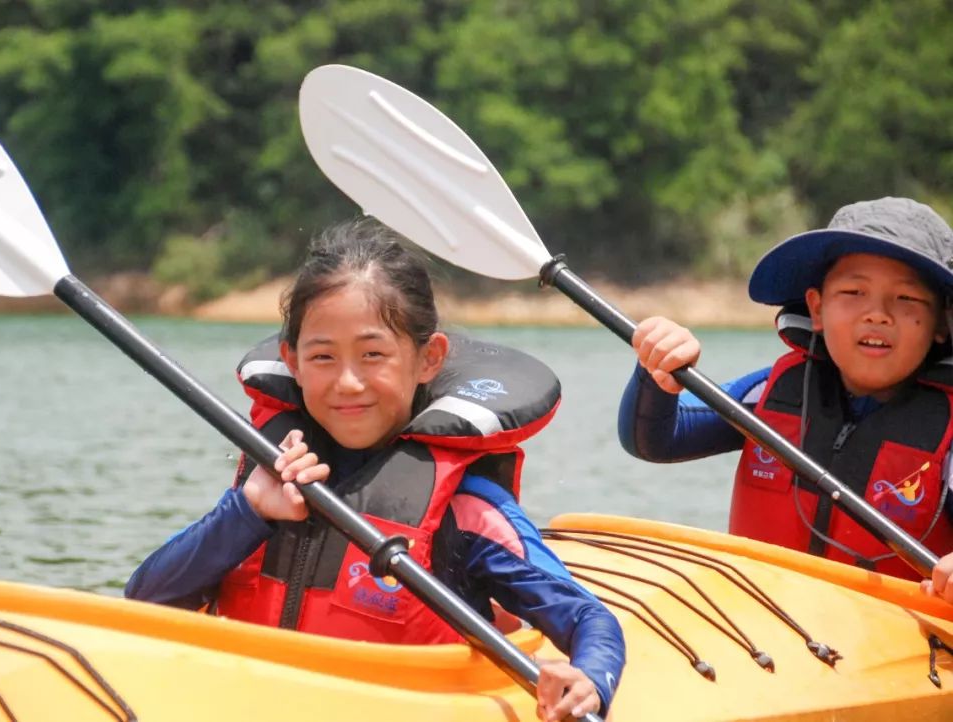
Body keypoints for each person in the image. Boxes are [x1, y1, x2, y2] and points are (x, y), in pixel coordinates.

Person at [127, 218, 625, 720]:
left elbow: (586, 618)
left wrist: (590, 681)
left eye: (373, 355)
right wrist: (249, 510)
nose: (348, 382)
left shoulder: (467, 508)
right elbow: (146, 600)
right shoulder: (272, 476)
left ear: (428, 358)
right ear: (292, 362)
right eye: (322, 356)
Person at [617, 197, 953, 602]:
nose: (877, 313)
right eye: (853, 291)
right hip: (759, 630)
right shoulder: (778, 388)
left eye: (907, 299)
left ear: (941, 323)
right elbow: (656, 440)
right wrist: (657, 372)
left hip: (891, 647)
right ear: (817, 307)